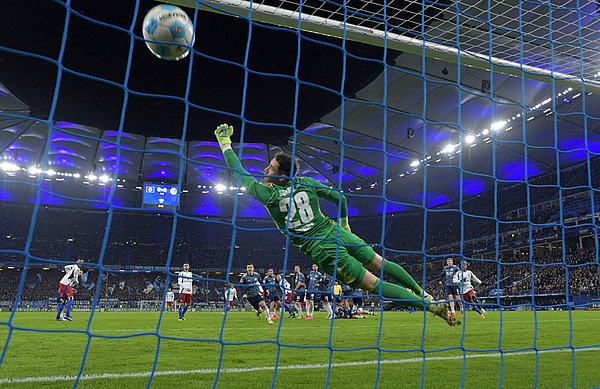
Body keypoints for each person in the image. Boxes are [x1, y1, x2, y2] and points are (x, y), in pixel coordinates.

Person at [214, 124, 457, 326]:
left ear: (280, 176)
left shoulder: (269, 195)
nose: (266, 168)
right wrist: (345, 226)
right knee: (380, 262)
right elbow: (340, 198)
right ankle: (422, 291)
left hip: (323, 249)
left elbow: (237, 169)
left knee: (374, 284)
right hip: (337, 232)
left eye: (271, 166)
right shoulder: (307, 183)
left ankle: (432, 307)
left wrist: (225, 142)